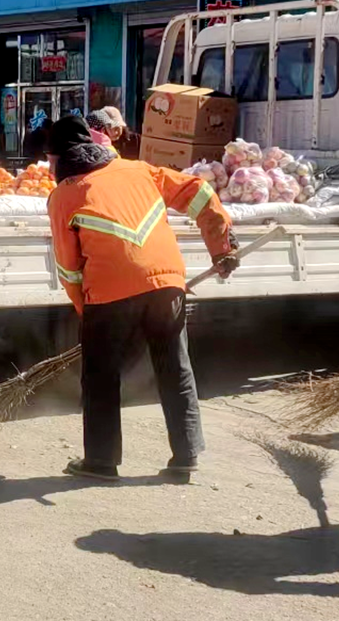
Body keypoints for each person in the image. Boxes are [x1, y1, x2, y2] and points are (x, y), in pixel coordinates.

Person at [45, 116, 236, 483]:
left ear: (57, 159)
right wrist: (222, 247)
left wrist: (90, 314)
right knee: (174, 366)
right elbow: (199, 191)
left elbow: (69, 269)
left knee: (101, 375)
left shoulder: (64, 195)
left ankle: (101, 462)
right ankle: (187, 455)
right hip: (167, 282)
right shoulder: (138, 170)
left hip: (109, 290)